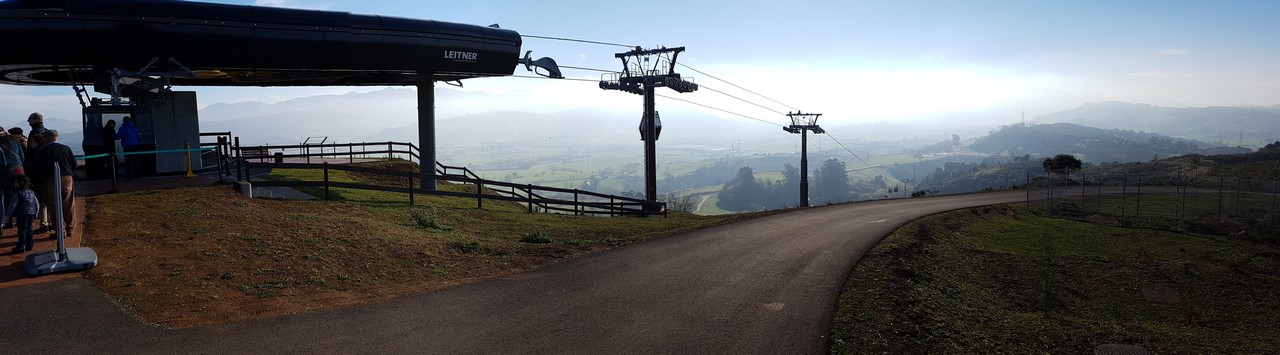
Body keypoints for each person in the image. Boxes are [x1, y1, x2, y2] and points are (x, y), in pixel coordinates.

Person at [37, 130, 75, 237]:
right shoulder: (66, 148)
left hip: (50, 180)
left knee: (54, 207)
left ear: (48, 138)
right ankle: (70, 228)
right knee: (69, 204)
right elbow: (74, 164)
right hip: (67, 178)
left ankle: (60, 230)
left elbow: (41, 169)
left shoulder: (44, 151)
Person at [6, 176, 38, 253]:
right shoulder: (32, 192)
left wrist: (8, 215)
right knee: (29, 229)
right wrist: (36, 212)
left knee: (22, 230)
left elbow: (12, 205)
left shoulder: (17, 193)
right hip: (31, 213)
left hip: (22, 214)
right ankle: (29, 244)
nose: (14, 183)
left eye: (16, 182)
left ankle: (21, 246)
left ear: (20, 184)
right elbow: (36, 203)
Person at [116, 116, 142, 180]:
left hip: (127, 147)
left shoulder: (122, 128)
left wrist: (112, 134)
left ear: (123, 121)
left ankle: (130, 175)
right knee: (135, 160)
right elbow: (138, 136)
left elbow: (117, 137)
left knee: (129, 161)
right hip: (135, 146)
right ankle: (136, 175)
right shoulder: (134, 128)